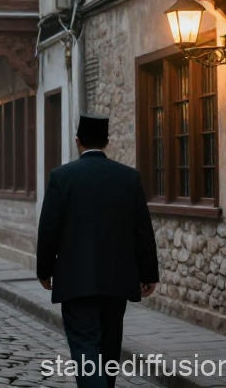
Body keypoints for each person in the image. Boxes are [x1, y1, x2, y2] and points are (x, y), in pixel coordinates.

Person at [36, 114, 159, 388]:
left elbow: (49, 230)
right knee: (109, 344)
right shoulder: (128, 178)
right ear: (107, 142)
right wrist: (149, 273)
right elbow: (142, 229)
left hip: (76, 279)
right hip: (117, 280)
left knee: (85, 345)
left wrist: (44, 270)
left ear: (77, 141)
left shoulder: (62, 177)